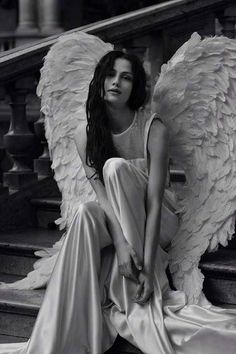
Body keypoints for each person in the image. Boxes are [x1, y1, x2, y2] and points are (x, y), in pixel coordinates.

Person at [0, 40, 236, 354]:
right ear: (100, 81)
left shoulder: (154, 128)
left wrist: (149, 268)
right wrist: (122, 249)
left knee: (114, 168)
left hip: (159, 220)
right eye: (111, 75)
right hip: (121, 224)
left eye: (126, 77)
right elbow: (103, 198)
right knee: (85, 212)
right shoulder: (85, 134)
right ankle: (62, 331)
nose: (116, 82)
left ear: (134, 86)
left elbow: (153, 203)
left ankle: (130, 287)